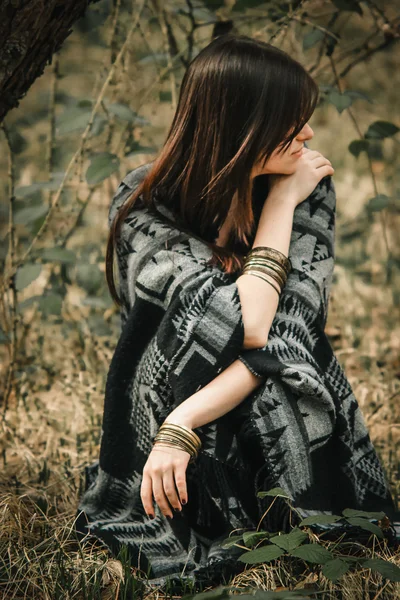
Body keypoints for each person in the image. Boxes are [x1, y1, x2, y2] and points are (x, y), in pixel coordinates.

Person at [75, 34, 397, 590]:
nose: (310, 135)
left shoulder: (305, 186)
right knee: (212, 337)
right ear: (242, 127)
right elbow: (225, 327)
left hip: (263, 384)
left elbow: (283, 335)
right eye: (292, 122)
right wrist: (280, 207)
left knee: (283, 367)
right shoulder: (143, 205)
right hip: (171, 384)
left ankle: (284, 520)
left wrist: (185, 423)